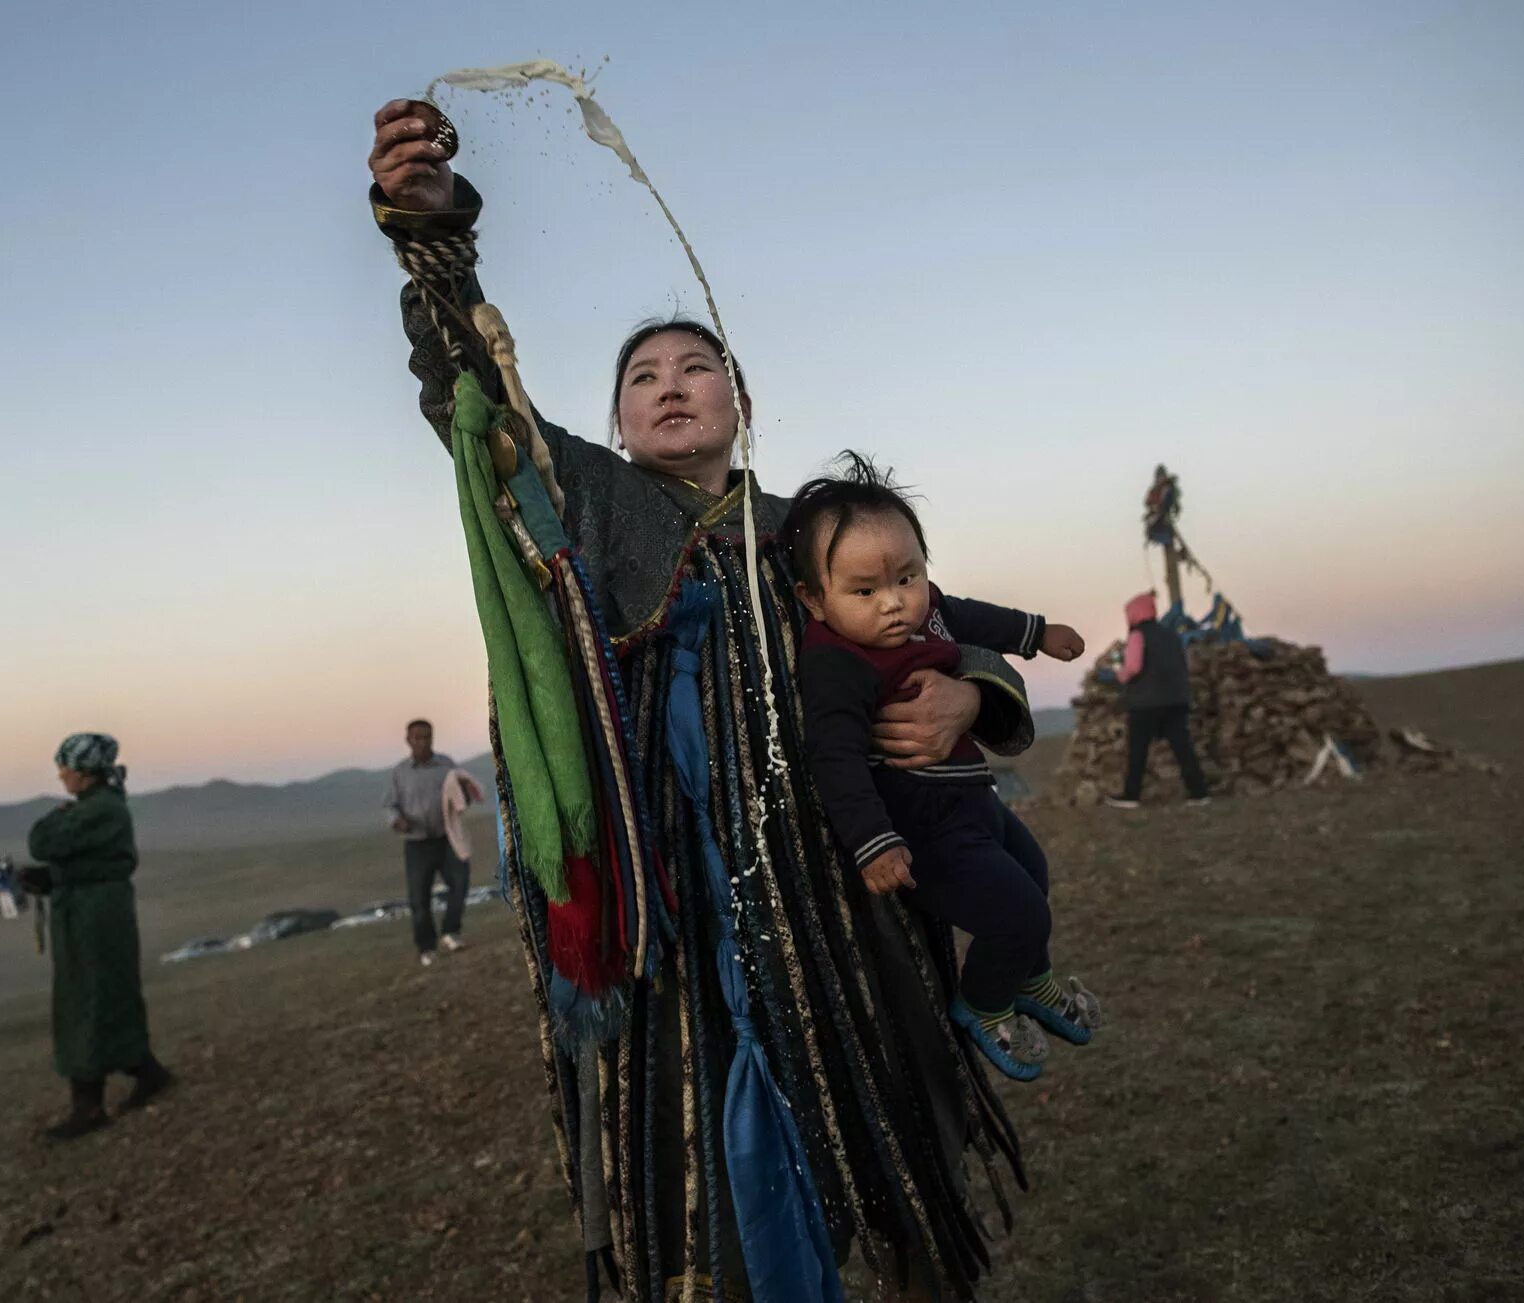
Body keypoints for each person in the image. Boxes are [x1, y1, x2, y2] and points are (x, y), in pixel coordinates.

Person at [369, 100, 1045, 1299]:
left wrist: (966, 698)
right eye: (644, 377)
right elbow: (469, 394)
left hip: (846, 868)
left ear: (739, 399)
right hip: (677, 894)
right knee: (708, 1144)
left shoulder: (813, 532)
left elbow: (928, 622)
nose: (672, 387)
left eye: (697, 369)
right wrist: (433, 240)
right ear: (620, 417)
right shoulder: (588, 499)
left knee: (892, 1101)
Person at [786, 454, 1100, 1083]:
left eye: (908, 577)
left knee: (1033, 873)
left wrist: (1038, 632)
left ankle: (1029, 982)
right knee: (1018, 914)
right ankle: (983, 1005)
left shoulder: (926, 611)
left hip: (974, 801)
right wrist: (873, 843)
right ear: (813, 600)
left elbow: (975, 615)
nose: (895, 604)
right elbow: (835, 758)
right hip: (924, 824)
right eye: (864, 591)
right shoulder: (833, 663)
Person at [22, 733, 172, 1140]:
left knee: (87, 998)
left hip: (94, 918)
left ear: (85, 771)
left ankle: (87, 1108)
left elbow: (42, 842)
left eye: (66, 766)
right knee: (106, 993)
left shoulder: (99, 810)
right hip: (92, 913)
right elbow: (86, 862)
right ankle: (150, 1074)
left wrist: (55, 821)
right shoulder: (99, 808)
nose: (61, 774)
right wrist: (51, 879)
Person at [1106, 590, 1212, 808]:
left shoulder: (1137, 636)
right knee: (1183, 747)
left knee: (1138, 750)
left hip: (1145, 702)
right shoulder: (1171, 635)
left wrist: (1117, 675)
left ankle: (1131, 795)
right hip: (1176, 699)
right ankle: (1199, 792)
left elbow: (1133, 667)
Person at [382, 719, 475, 966]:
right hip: (417, 843)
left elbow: (462, 794)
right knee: (419, 899)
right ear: (408, 740)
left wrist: (467, 792)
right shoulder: (400, 773)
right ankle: (426, 948)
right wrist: (397, 821)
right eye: (417, 737)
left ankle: (450, 933)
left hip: (447, 838)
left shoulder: (446, 766)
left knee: (461, 883)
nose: (423, 742)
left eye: (427, 737)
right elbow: (390, 805)